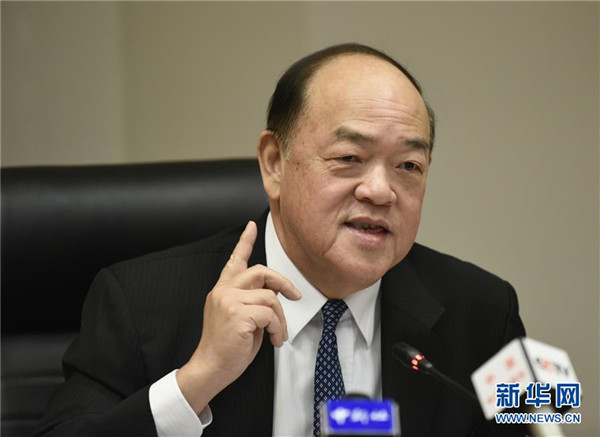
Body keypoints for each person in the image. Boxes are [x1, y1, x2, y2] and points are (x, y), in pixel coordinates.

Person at [36, 43, 525, 437]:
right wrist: (196, 381)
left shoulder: (482, 309)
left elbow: (544, 424)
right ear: (274, 163)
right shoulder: (141, 302)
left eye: (409, 166)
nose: (380, 191)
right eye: (349, 158)